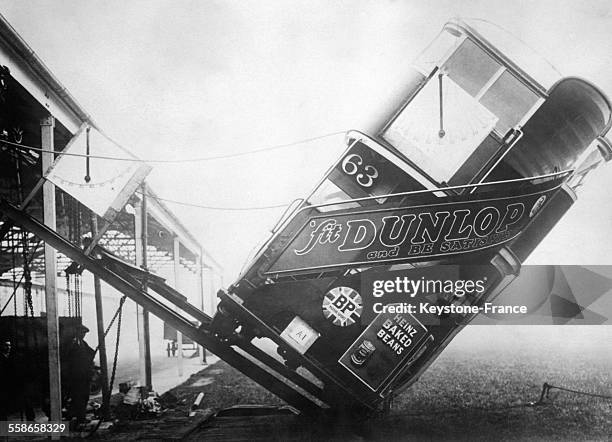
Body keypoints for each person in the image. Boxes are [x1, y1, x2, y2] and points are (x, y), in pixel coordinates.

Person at [64, 324, 95, 426]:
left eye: (84, 333)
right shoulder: (72, 343)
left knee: (84, 397)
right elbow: (68, 359)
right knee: (78, 398)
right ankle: (79, 418)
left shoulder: (83, 343)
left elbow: (90, 354)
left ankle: (76, 416)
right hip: (76, 377)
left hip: (84, 376)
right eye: (82, 332)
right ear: (77, 332)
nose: (83, 335)